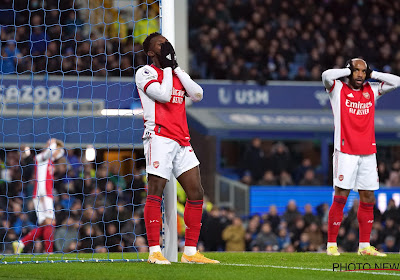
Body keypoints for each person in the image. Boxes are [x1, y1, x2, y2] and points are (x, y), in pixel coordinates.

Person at [135, 32, 219, 265]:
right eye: (160, 44)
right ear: (150, 52)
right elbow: (162, 95)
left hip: (182, 140)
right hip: (159, 137)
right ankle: (154, 251)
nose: (166, 46)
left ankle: (190, 252)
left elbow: (198, 94)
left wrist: (176, 68)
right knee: (155, 191)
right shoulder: (145, 72)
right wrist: (169, 70)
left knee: (197, 192)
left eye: (167, 43)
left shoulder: (175, 74)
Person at [321, 58, 400, 257]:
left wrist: (373, 74)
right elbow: (325, 75)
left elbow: (396, 81)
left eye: (363, 72)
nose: (359, 75)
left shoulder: (371, 90)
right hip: (345, 152)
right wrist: (346, 70)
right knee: (341, 197)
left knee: (368, 198)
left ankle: (364, 246)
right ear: (349, 71)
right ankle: (331, 244)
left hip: (368, 153)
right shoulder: (337, 89)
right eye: (356, 71)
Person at [13, 138, 64, 254]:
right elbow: (51, 152)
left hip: (44, 195)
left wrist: (57, 146)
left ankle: (20, 243)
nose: (58, 152)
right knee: (51, 222)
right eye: (56, 149)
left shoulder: (50, 160)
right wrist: (52, 143)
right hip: (43, 195)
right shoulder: (41, 158)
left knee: (45, 225)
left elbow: (59, 153)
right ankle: (49, 252)